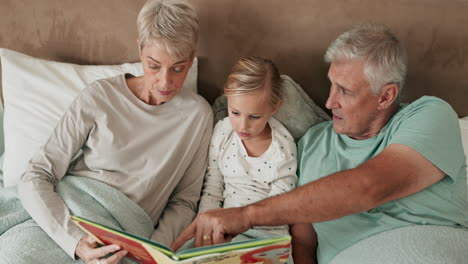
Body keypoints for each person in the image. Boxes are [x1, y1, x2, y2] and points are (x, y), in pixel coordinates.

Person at [171, 23, 468, 264]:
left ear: (386, 96)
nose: (329, 101)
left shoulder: (429, 115)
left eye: (345, 91)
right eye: (331, 85)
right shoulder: (312, 143)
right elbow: (302, 241)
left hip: (427, 245)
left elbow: (369, 186)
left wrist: (246, 215)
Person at [18, 0, 213, 263]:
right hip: (68, 219)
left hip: (129, 238)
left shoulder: (198, 117)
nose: (165, 82)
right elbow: (37, 174)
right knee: (15, 253)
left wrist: (152, 253)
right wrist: (75, 241)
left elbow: (184, 202)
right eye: (154, 65)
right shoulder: (99, 97)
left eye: (178, 68)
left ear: (191, 58)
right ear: (140, 50)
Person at [192, 56, 297, 248]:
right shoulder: (223, 132)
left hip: (266, 234)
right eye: (235, 113)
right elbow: (212, 190)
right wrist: (204, 228)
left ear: (275, 107)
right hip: (222, 229)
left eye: (255, 117)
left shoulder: (282, 148)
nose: (242, 126)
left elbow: (281, 209)